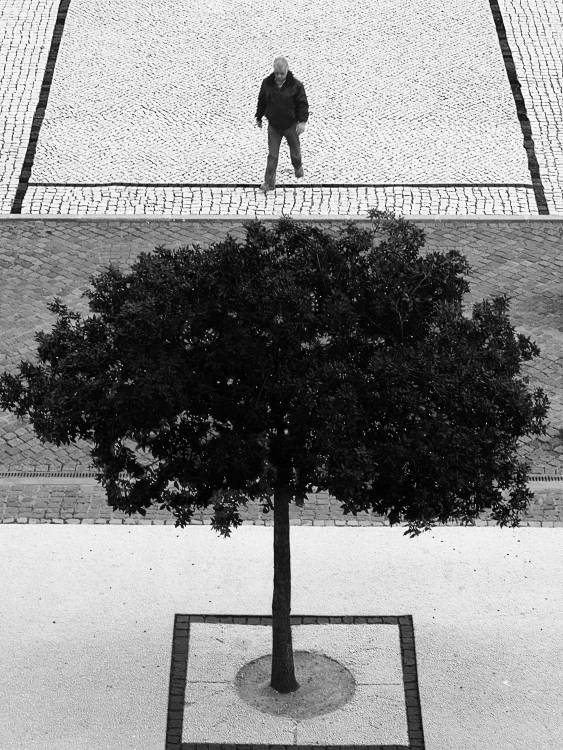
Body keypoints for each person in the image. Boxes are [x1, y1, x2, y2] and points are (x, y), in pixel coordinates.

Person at [255, 56, 309, 192]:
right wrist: (259, 117)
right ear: (274, 71)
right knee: (272, 155)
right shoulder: (267, 84)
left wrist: (302, 121)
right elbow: (262, 101)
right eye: (277, 73)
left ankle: (297, 166)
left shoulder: (296, 86)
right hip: (274, 126)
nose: (279, 76)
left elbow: (302, 104)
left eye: (282, 74)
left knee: (295, 150)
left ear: (287, 71)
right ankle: (269, 183)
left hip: (291, 125)